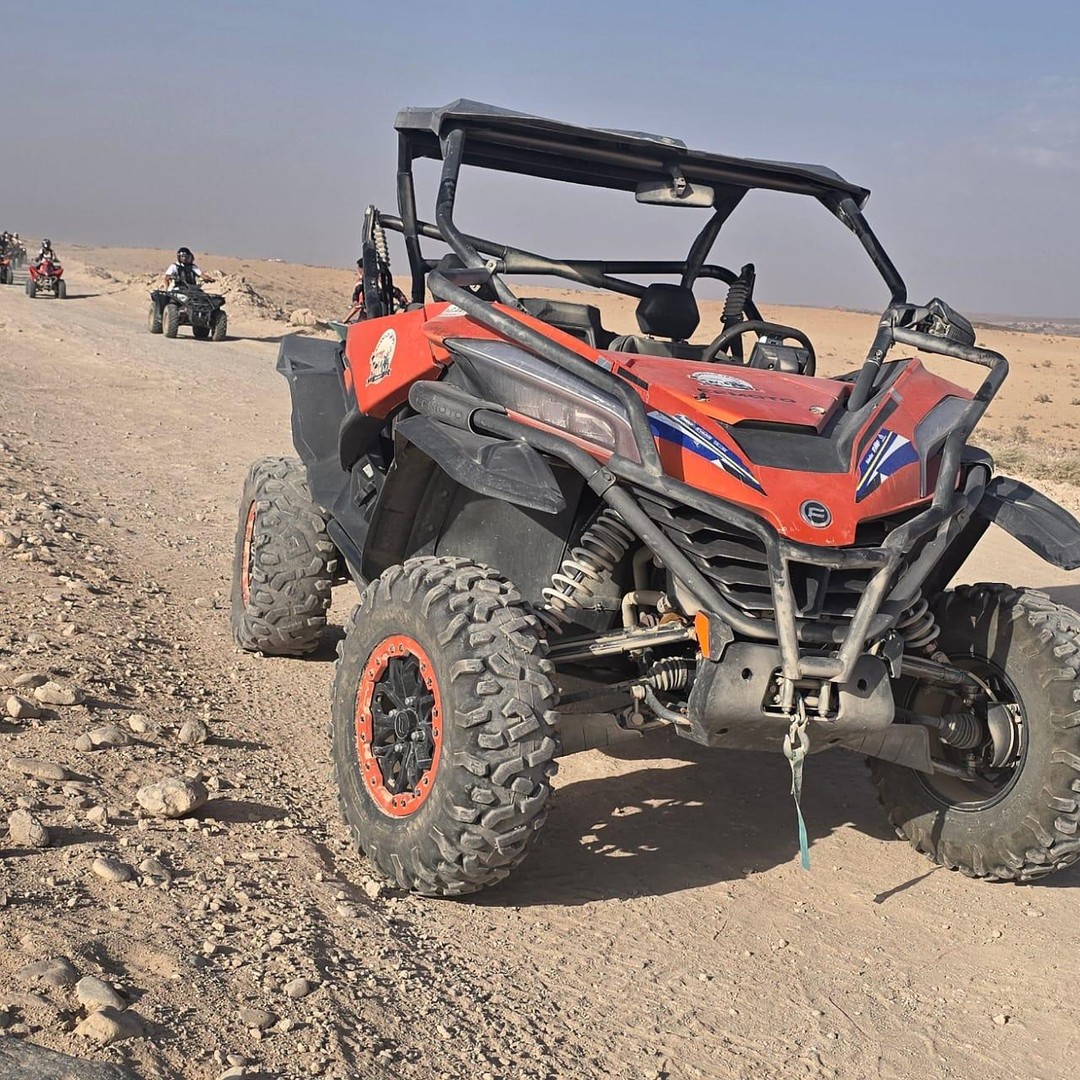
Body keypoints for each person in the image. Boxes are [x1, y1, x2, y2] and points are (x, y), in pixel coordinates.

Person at [342, 259, 407, 322]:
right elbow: (356, 296)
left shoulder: (386, 286)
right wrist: (355, 302)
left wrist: (403, 300)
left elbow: (397, 293)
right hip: (369, 315)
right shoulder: (364, 283)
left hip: (383, 314)